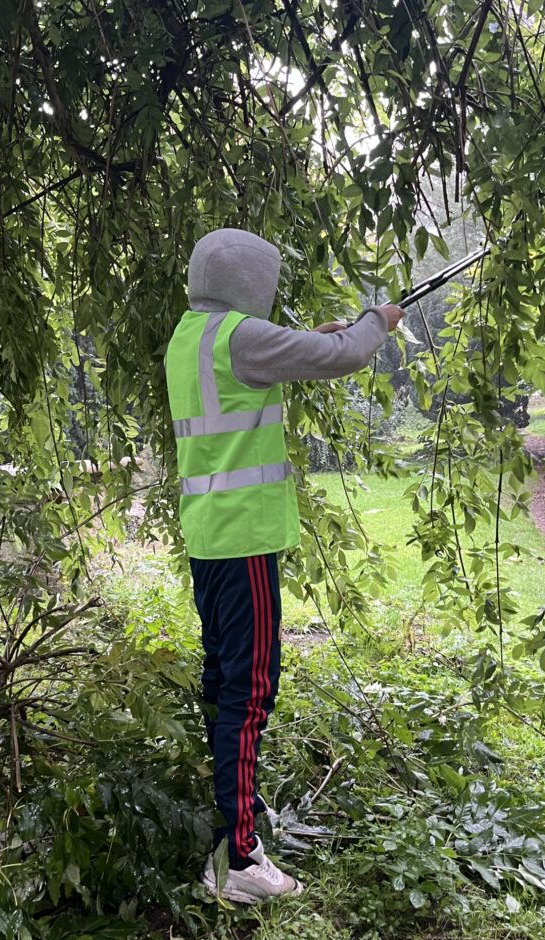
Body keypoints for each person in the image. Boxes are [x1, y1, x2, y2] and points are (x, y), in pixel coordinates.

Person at [163, 228, 404, 904]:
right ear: (249, 283)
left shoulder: (192, 335)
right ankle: (239, 859)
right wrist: (376, 323)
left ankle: (236, 816)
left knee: (224, 682)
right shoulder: (242, 337)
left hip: (210, 538)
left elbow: (278, 357)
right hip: (245, 542)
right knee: (251, 691)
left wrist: (319, 336)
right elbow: (348, 354)